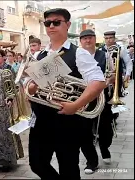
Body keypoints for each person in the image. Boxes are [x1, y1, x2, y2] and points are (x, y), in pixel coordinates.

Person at [25, 9, 106, 179]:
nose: (51, 26)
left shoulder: (79, 53)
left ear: (68, 25)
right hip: (41, 121)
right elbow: (31, 86)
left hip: (68, 121)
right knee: (37, 163)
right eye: (47, 23)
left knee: (68, 168)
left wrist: (76, 105)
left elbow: (98, 82)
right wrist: (31, 87)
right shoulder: (40, 54)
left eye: (56, 22)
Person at [79, 29, 116, 174]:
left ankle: (104, 148)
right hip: (83, 98)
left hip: (102, 97)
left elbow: (112, 74)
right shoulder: (77, 56)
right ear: (81, 41)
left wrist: (107, 82)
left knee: (105, 130)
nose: (87, 41)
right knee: (83, 132)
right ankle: (91, 161)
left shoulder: (105, 55)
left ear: (95, 39)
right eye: (84, 38)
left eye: (90, 38)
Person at [98, 31, 133, 95]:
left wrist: (127, 74)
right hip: (104, 78)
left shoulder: (120, 49)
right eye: (106, 38)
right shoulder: (100, 50)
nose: (108, 40)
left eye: (110, 38)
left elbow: (128, 62)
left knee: (118, 93)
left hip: (117, 77)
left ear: (114, 38)